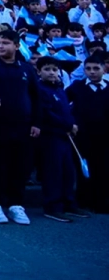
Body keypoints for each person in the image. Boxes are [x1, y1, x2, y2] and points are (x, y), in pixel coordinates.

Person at [0, 30, 40, 225]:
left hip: (23, 127)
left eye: (5, 43)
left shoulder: (26, 69)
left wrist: (36, 122)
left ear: (16, 45)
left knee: (20, 167)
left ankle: (16, 205)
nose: (1, 46)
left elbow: (36, 97)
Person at [36, 56, 89, 222]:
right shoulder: (39, 89)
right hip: (50, 136)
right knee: (54, 172)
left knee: (68, 171)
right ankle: (52, 206)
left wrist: (72, 124)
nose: (52, 73)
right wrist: (67, 125)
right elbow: (46, 113)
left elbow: (67, 110)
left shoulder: (59, 88)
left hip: (65, 136)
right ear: (39, 72)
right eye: (47, 69)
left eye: (54, 69)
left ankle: (69, 203)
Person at [65, 54, 109, 213]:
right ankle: (83, 199)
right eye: (88, 69)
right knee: (84, 167)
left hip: (105, 135)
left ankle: (101, 201)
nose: (92, 72)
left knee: (103, 168)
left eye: (96, 68)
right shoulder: (77, 86)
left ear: (104, 68)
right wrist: (70, 122)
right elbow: (63, 103)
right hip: (83, 135)